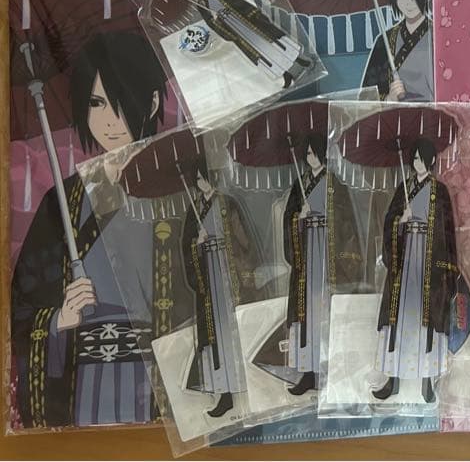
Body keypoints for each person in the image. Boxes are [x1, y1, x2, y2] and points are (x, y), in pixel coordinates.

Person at [11, 31, 176, 428]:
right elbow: (21, 305)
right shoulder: (63, 202)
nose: (108, 120)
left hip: (160, 383)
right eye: (96, 103)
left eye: (121, 99)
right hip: (85, 386)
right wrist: (59, 317)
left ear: (153, 100)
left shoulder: (180, 189)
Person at [253, 134, 363, 395]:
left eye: (314, 153)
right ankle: (308, 373)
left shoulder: (335, 185)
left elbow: (346, 223)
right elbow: (289, 218)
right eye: (308, 154)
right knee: (305, 317)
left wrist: (324, 217)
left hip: (326, 256)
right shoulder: (300, 185)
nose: (310, 158)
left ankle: (330, 373)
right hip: (306, 256)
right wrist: (299, 218)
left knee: (324, 316)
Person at [373, 138, 463, 404]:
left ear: (431, 161)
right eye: (414, 159)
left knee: (428, 320)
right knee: (399, 318)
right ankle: (392, 379)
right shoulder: (403, 189)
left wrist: (446, 271)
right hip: (405, 260)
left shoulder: (439, 191)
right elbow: (389, 223)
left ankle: (427, 382)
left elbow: (447, 231)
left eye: (421, 159)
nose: (417, 164)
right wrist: (400, 222)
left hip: (428, 262)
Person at [181, 154, 251, 418]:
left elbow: (244, 241)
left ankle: (244, 390)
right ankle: (224, 393)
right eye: (197, 180)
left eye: (204, 177)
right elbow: (186, 247)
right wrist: (197, 244)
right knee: (214, 335)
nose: (202, 183)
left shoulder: (227, 203)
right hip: (208, 278)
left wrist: (225, 241)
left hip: (228, 276)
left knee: (232, 331)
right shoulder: (194, 210)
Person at [178, 0, 311, 89]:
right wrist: (214, 19)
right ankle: (285, 75)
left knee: (270, 39)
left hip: (244, 20)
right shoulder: (201, 6)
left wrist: (250, 12)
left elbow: (235, 0)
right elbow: (211, 24)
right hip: (233, 28)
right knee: (260, 51)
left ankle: (297, 59)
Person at [361, 0, 433, 102]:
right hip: (396, 114)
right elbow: (366, 98)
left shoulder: (440, 37)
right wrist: (388, 99)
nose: (408, 1)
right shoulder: (385, 40)